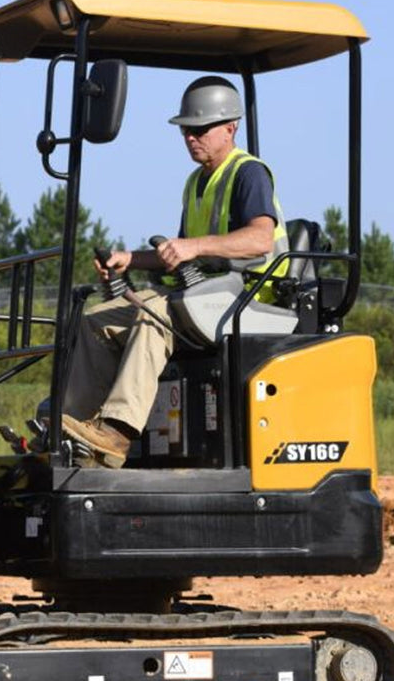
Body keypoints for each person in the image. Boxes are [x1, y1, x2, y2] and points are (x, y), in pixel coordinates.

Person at [60, 75, 288, 468]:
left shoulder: (248, 173)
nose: (190, 137)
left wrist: (193, 247)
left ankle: (116, 433)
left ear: (230, 127)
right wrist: (128, 259)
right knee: (97, 320)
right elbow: (178, 255)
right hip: (208, 294)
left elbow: (260, 240)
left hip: (251, 297)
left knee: (154, 314)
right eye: (186, 130)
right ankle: (71, 431)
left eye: (199, 129)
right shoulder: (195, 183)